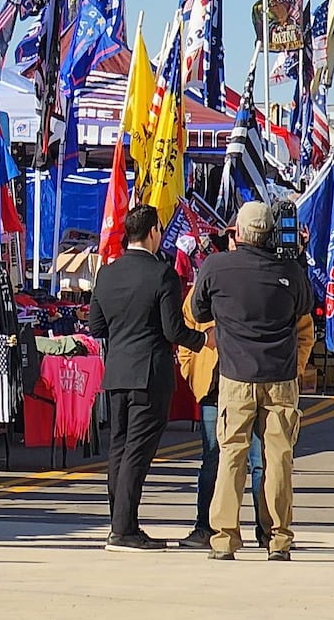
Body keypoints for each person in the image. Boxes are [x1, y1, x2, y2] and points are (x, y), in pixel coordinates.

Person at [191, 201, 314, 561]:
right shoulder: (289, 269)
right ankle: (278, 538)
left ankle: (225, 538)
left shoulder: (216, 267)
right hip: (281, 377)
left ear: (239, 233)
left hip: (235, 377)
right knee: (278, 458)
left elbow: (199, 310)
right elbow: (305, 306)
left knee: (231, 455)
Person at [86, 204, 212, 552]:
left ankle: (120, 522)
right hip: (149, 373)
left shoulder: (107, 273)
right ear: (154, 232)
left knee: (119, 449)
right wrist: (203, 339)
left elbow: (97, 327)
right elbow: (174, 329)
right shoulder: (162, 274)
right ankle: (123, 529)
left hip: (117, 373)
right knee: (137, 454)